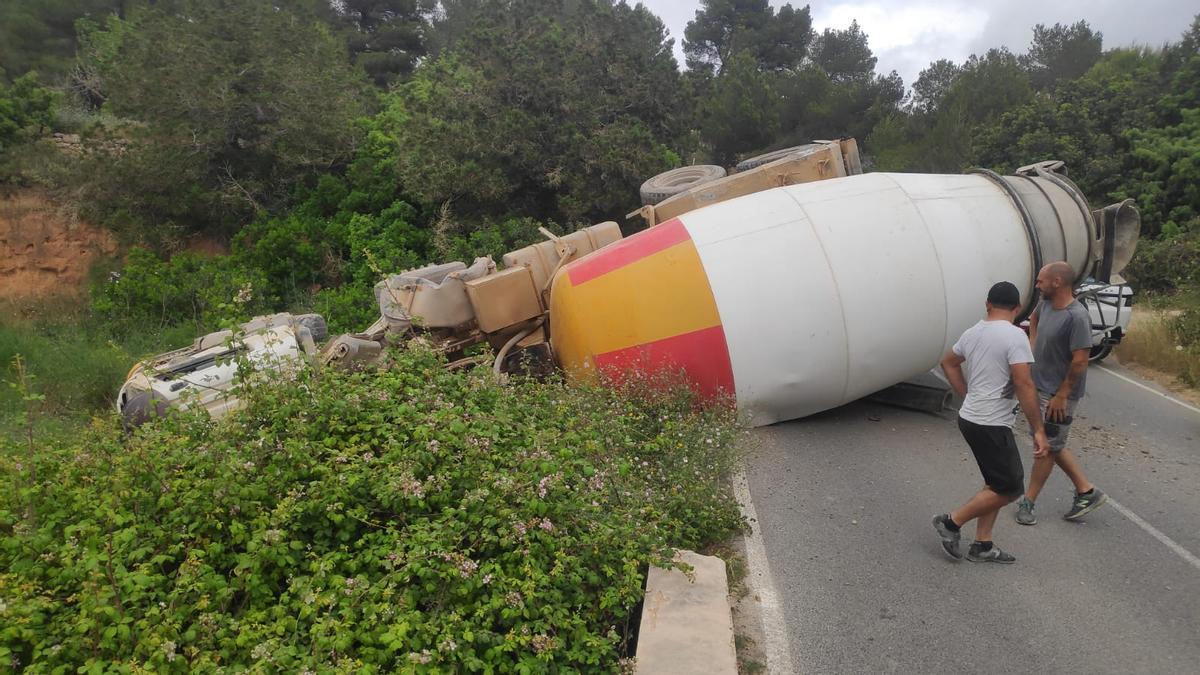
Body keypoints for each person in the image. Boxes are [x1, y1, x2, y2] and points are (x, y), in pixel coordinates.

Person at [933, 281, 1050, 563]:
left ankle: (983, 544)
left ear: (987, 304)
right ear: (1018, 308)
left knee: (995, 483)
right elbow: (1023, 383)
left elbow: (948, 362)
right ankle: (950, 522)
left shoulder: (973, 332)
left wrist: (966, 393)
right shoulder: (1014, 336)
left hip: (971, 418)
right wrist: (1038, 430)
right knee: (1010, 488)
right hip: (990, 423)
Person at [1014, 261, 1108, 524]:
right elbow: (1034, 320)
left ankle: (1028, 502)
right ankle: (1086, 490)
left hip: (1058, 396)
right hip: (1040, 386)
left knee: (1045, 447)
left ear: (1057, 282)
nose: (1037, 284)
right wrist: (1032, 345)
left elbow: (1080, 360)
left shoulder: (1076, 317)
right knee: (1051, 443)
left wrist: (1062, 395)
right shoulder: (1044, 305)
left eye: (1041, 280)